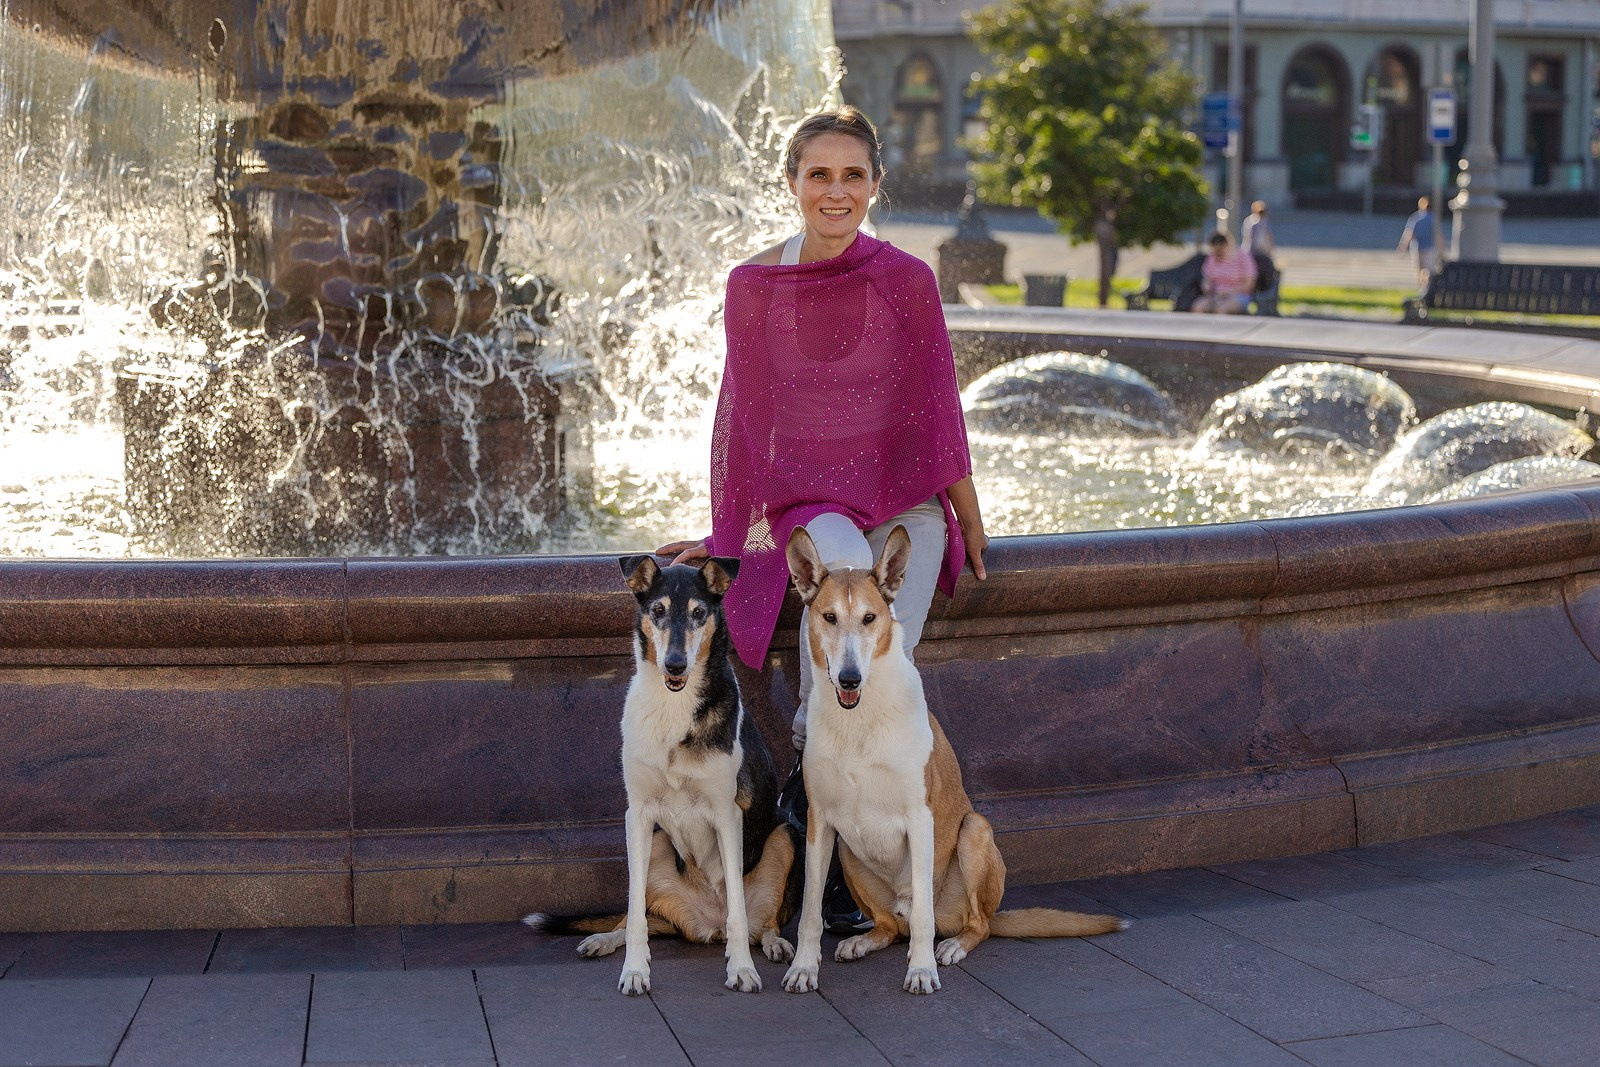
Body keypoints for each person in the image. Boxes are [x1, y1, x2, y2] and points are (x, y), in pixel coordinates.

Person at [658, 106, 988, 933]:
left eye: (853, 175)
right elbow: (743, 427)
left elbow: (940, 413)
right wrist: (727, 539)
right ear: (792, 182)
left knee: (885, 653)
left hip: (906, 502)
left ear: (876, 184)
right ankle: (815, 813)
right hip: (814, 506)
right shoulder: (752, 285)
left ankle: (839, 840)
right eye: (818, 174)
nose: (835, 191)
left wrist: (971, 521)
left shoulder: (908, 280)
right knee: (841, 596)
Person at [1191, 230, 1258, 314]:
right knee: (1198, 306)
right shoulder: (1212, 258)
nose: (1217, 254)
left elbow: (1249, 285)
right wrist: (1207, 286)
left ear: (1227, 245)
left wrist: (1228, 292)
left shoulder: (1243, 257)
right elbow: (1207, 279)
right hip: (1216, 296)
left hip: (1238, 296)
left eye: (1220, 250)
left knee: (1221, 309)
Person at [1398, 196, 1443, 290]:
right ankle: (1426, 286)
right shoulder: (1432, 218)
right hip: (1429, 247)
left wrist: (1403, 247)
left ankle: (1421, 287)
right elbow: (1438, 234)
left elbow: (1409, 233)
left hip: (1417, 247)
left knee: (1419, 269)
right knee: (1428, 269)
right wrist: (1442, 248)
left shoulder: (1415, 218)